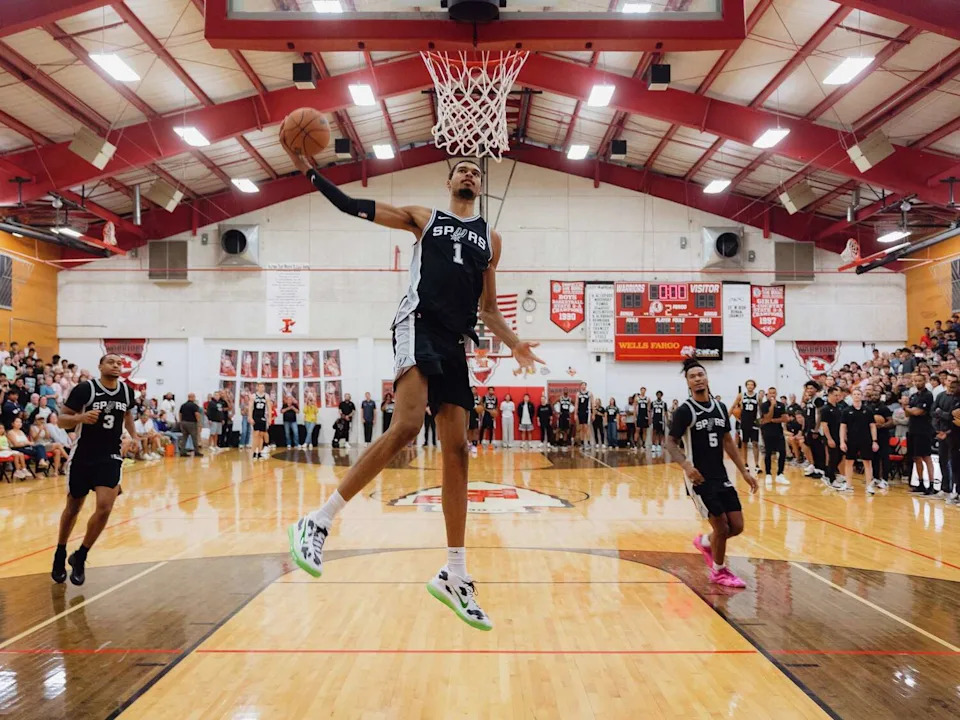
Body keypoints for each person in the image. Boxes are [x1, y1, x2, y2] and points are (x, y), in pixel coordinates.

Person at [285, 154, 542, 631]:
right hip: (418, 323)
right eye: (461, 169)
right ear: (448, 181)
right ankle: (317, 521)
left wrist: (514, 342)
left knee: (458, 451)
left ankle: (455, 573)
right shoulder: (424, 219)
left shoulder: (491, 239)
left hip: (456, 341)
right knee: (405, 425)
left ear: (480, 186)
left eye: (475, 171)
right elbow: (350, 205)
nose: (469, 173)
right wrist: (312, 173)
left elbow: (487, 309)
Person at [665, 358, 758, 589]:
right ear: (688, 383)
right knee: (722, 527)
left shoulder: (718, 408)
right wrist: (686, 466)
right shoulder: (685, 411)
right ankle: (718, 571)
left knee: (736, 526)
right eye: (692, 376)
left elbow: (728, 441)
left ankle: (705, 542)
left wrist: (744, 471)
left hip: (720, 475)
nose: (697, 379)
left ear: (707, 378)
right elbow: (669, 442)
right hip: (699, 478)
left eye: (700, 375)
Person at [51, 354, 137, 586]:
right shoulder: (85, 389)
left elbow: (127, 414)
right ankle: (60, 552)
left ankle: (81, 555)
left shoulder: (128, 392)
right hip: (83, 456)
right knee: (73, 507)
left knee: (105, 507)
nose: (116, 365)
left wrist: (134, 436)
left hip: (110, 456)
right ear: (100, 366)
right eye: (111, 362)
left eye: (120, 363)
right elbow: (61, 420)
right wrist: (81, 418)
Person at [839, 387, 878, 494]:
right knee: (849, 462)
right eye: (855, 394)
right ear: (852, 396)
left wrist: (875, 440)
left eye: (858, 394)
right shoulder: (846, 411)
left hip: (866, 440)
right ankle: (848, 485)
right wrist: (842, 441)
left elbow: (873, 426)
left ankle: (869, 485)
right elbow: (843, 427)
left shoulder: (868, 410)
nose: (857, 396)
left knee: (867, 462)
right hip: (851, 440)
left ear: (862, 396)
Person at [907, 373, 936, 494]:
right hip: (913, 429)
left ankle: (931, 484)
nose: (918, 383)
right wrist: (910, 410)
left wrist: (909, 409)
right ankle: (920, 483)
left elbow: (918, 412)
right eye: (916, 381)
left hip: (923, 430)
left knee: (926, 457)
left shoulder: (928, 395)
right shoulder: (913, 396)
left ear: (925, 381)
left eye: (920, 381)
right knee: (916, 457)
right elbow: (908, 413)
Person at [759, 387, 790, 486]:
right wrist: (772, 407)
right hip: (767, 432)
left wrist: (773, 420)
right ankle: (768, 474)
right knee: (768, 453)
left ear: (776, 394)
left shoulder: (781, 405)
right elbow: (767, 418)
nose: (772, 395)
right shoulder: (764, 405)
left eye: (774, 393)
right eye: (770, 393)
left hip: (778, 431)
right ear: (767, 394)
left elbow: (785, 418)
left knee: (782, 452)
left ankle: (780, 474)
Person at [731, 380, 761, 475]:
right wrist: (727, 416)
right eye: (748, 384)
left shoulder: (758, 396)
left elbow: (761, 409)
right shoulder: (741, 395)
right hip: (744, 422)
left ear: (754, 386)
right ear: (746, 386)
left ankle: (757, 465)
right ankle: (745, 463)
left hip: (754, 422)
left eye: (752, 385)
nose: (750, 386)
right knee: (744, 443)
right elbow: (733, 406)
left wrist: (761, 420)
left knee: (755, 443)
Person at [820, 387, 845, 487]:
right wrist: (829, 439)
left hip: (839, 436)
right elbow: (824, 425)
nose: (837, 397)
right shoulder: (825, 409)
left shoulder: (839, 407)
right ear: (829, 395)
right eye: (835, 395)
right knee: (833, 457)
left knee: (840, 456)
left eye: (838, 395)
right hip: (831, 436)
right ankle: (831, 478)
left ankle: (828, 474)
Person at [249, 383, 272, 460]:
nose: (262, 388)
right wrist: (250, 417)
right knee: (256, 434)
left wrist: (269, 418)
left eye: (263, 387)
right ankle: (253, 453)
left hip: (263, 417)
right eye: (261, 387)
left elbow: (269, 408)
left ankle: (259, 452)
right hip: (255, 417)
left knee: (261, 435)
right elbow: (250, 407)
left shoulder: (266, 396)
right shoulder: (253, 396)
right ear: (257, 388)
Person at [576, 382, 592, 448]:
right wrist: (575, 413)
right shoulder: (578, 393)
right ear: (580, 386)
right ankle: (582, 443)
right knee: (581, 428)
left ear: (586, 386)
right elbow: (576, 404)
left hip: (586, 412)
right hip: (580, 412)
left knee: (586, 427)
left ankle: (588, 443)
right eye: (582, 385)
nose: (583, 386)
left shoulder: (589, 393)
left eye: (584, 385)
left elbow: (592, 403)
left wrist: (593, 414)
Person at [651, 391, 667, 456]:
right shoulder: (653, 403)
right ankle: (653, 445)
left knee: (660, 433)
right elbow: (650, 411)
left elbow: (666, 412)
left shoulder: (664, 403)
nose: (659, 396)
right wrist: (650, 419)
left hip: (661, 419)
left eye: (660, 395)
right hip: (655, 419)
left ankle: (659, 445)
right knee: (654, 432)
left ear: (662, 396)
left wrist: (667, 420)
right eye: (658, 395)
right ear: (656, 395)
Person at [635, 388, 650, 453]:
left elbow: (648, 409)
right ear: (640, 391)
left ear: (645, 391)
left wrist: (649, 418)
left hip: (645, 416)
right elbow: (635, 407)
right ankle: (635, 445)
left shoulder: (647, 398)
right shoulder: (637, 398)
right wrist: (634, 417)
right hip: (639, 416)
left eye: (644, 390)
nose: (643, 391)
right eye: (642, 390)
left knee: (644, 431)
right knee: (637, 430)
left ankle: (643, 445)